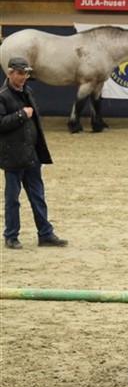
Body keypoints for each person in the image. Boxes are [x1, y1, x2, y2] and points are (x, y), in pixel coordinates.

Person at [0, 57, 68, 250]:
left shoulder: (28, 92)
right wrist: (22, 114)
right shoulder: (3, 96)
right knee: (12, 199)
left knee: (38, 196)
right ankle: (11, 236)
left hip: (31, 155)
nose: (23, 77)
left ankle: (45, 233)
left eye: (26, 73)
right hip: (13, 156)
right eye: (20, 73)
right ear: (10, 72)